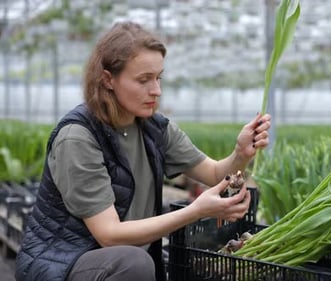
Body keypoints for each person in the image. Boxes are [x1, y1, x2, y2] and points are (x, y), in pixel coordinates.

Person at [15, 21, 271, 281]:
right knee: (133, 263)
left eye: (158, 77)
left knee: (136, 262)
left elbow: (215, 173)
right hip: (64, 265)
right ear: (108, 79)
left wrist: (241, 153)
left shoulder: (155, 129)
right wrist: (196, 211)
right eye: (143, 80)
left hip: (120, 262)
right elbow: (109, 234)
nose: (156, 90)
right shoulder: (78, 137)